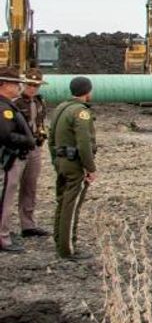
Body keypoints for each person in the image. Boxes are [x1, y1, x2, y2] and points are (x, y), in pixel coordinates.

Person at [49, 76, 97, 260]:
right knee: (72, 204)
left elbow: (51, 138)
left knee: (62, 202)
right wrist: (90, 168)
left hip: (61, 161)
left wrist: (55, 161)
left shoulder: (60, 108)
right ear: (87, 92)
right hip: (74, 163)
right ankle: (67, 248)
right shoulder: (80, 112)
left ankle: (59, 240)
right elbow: (84, 143)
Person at [0, 67, 36, 253]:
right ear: (4, 85)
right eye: (14, 84)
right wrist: (28, 140)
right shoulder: (4, 108)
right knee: (5, 198)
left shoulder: (8, 104)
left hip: (12, 156)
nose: (18, 87)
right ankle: (2, 238)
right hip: (9, 157)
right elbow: (5, 135)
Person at [13, 68, 50, 238]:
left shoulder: (39, 102)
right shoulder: (14, 102)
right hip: (16, 147)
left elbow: (40, 122)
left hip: (34, 146)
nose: (32, 88)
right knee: (8, 186)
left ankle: (28, 224)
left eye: (36, 85)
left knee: (30, 186)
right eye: (29, 85)